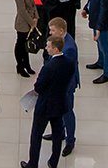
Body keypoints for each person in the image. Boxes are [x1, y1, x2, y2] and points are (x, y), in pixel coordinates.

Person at [20, 35, 73, 168]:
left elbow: (38, 87)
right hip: (60, 103)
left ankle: (33, 163)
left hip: (45, 106)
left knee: (36, 135)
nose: (46, 48)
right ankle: (54, 161)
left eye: (48, 46)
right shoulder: (70, 64)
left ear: (55, 49)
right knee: (57, 134)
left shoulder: (49, 67)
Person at [12, 0, 37, 76]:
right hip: (23, 23)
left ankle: (27, 65)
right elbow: (22, 10)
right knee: (21, 45)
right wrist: (31, 23)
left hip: (31, 20)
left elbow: (33, 3)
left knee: (25, 45)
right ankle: (20, 66)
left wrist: (36, 17)